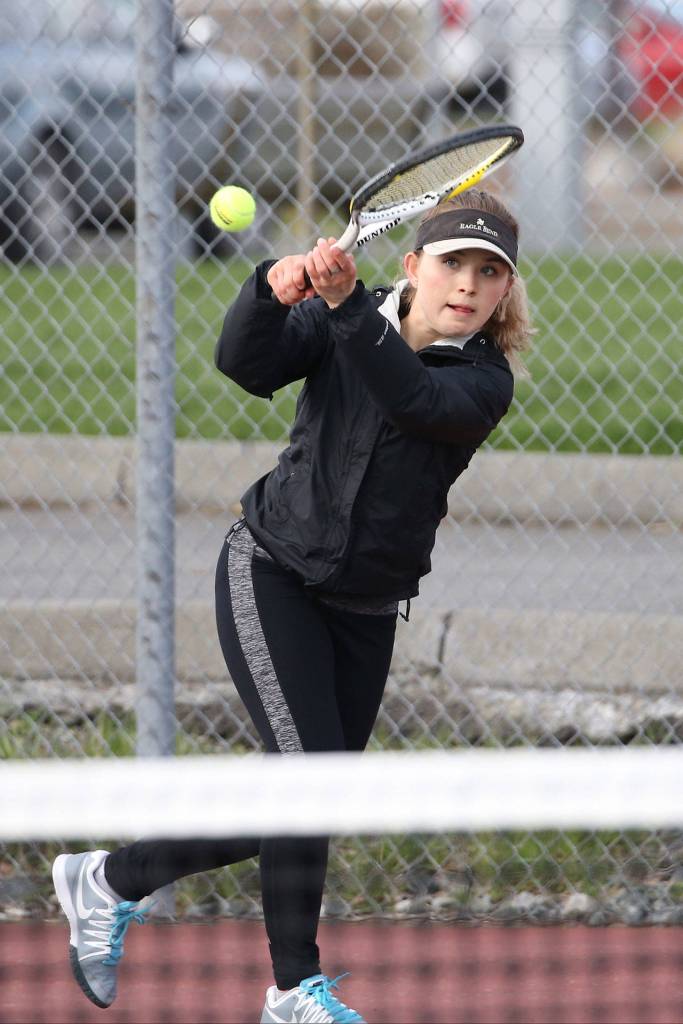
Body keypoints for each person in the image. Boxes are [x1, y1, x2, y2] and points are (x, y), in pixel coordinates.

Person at [52, 188, 533, 1024]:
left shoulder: (484, 381)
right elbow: (244, 365)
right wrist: (268, 296)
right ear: (414, 266)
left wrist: (349, 309)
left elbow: (411, 401)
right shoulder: (344, 320)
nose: (468, 284)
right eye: (453, 261)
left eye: (488, 273)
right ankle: (290, 990)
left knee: (308, 793)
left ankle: (107, 880)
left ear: (502, 294)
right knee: (304, 781)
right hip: (269, 569)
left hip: (368, 606)